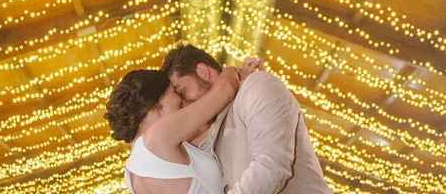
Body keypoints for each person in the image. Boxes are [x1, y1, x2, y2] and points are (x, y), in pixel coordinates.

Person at [162, 44, 332, 194]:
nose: (183, 105)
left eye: (182, 92)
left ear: (203, 72)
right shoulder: (214, 129)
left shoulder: (258, 86)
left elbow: (270, 168)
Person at [104, 60, 260, 194]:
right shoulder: (158, 138)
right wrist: (233, 70)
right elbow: (224, 91)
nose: (181, 99)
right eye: (175, 91)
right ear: (159, 101)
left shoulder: (131, 172)